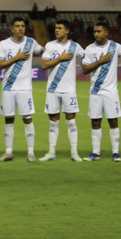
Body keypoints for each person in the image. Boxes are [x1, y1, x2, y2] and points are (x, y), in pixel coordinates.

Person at [0, 17, 44, 163]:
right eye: (17, 26)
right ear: (12, 28)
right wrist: (17, 58)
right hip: (8, 88)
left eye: (22, 26)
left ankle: (31, 153)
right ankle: (8, 152)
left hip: (25, 89)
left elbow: (44, 51)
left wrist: (63, 46)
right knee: (8, 119)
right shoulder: (4, 44)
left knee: (27, 119)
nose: (20, 28)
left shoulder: (31, 42)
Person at [39, 20, 85, 162]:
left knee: (71, 122)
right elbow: (44, 65)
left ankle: (74, 152)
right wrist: (61, 58)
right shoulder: (50, 45)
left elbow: (87, 57)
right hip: (53, 89)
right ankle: (51, 152)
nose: (56, 30)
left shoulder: (75, 46)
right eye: (55, 28)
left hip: (69, 90)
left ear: (67, 31)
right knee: (53, 122)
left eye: (59, 28)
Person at [81, 21, 121, 162]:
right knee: (95, 122)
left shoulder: (115, 47)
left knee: (113, 121)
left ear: (106, 32)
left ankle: (116, 152)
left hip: (111, 92)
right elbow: (85, 70)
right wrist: (100, 61)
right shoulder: (89, 49)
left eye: (99, 31)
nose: (96, 34)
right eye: (95, 31)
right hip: (95, 91)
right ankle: (96, 152)